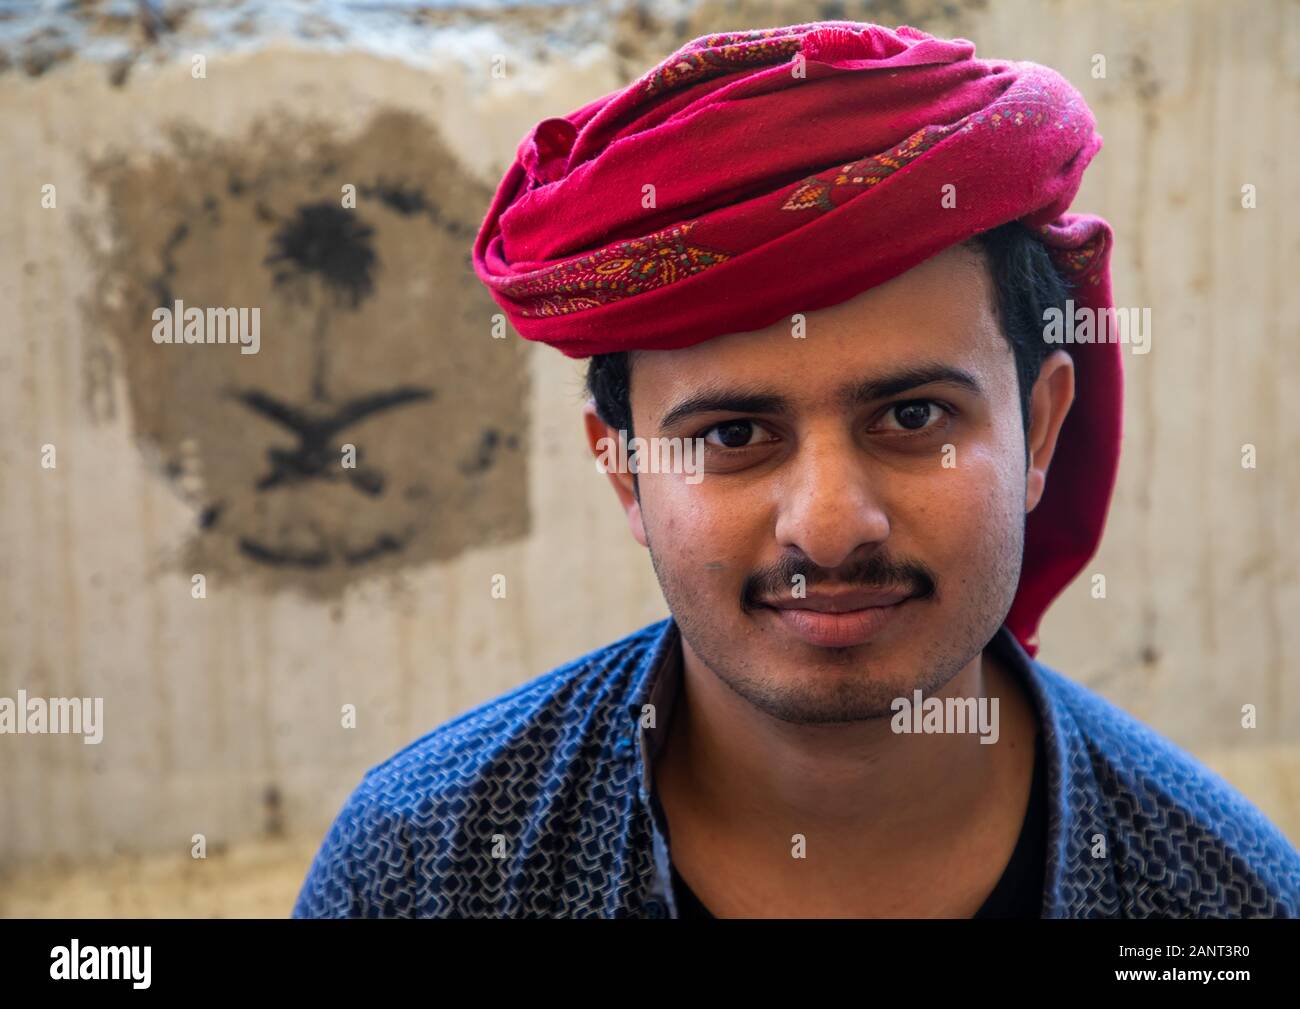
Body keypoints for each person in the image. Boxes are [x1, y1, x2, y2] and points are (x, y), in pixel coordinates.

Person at [292, 20, 1300, 918]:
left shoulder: (1217, 893)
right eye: (734, 436)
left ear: (1039, 434)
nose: (828, 526)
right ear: (623, 473)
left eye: (911, 417)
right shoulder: (424, 867)